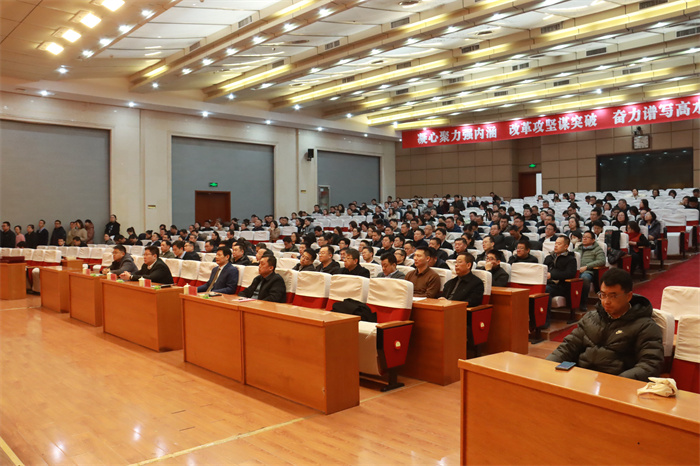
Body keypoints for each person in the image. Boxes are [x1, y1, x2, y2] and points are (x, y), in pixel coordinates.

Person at [546, 268, 663, 381]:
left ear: (628, 296)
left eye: (613, 296)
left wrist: (618, 381)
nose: (606, 301)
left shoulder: (645, 326)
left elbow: (650, 364)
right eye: (603, 295)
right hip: (583, 379)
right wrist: (546, 366)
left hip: (616, 384)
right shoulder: (591, 318)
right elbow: (568, 347)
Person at [544, 235, 578, 325]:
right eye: (555, 243)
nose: (556, 246)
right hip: (548, 283)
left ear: (566, 246)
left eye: (559, 244)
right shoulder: (549, 257)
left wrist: (552, 275)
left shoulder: (571, 259)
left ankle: (544, 321)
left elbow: (570, 274)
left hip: (561, 286)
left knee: (546, 290)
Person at [575, 231, 606, 306]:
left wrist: (587, 266)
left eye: (587, 237)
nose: (584, 239)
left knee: (585, 278)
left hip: (588, 271)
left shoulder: (597, 249)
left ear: (593, 240)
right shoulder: (578, 248)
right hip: (576, 270)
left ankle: (583, 302)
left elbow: (602, 261)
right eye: (583, 237)